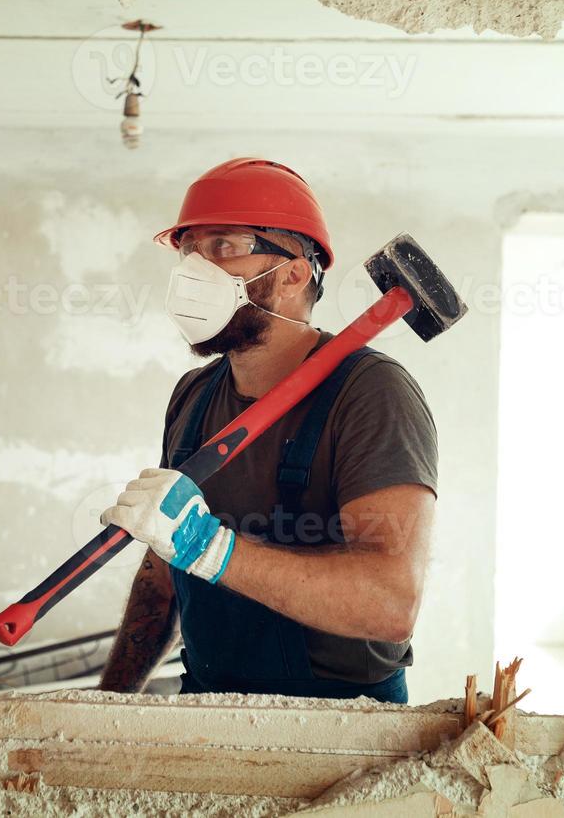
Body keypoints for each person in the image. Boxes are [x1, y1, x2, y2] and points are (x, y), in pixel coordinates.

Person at [97, 157, 439, 703]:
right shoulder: (194, 394)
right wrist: (109, 704)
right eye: (190, 249)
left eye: (224, 246)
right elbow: (162, 576)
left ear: (293, 273)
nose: (194, 270)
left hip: (338, 723)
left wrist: (213, 551)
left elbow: (389, 604)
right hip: (206, 699)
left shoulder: (372, 393)